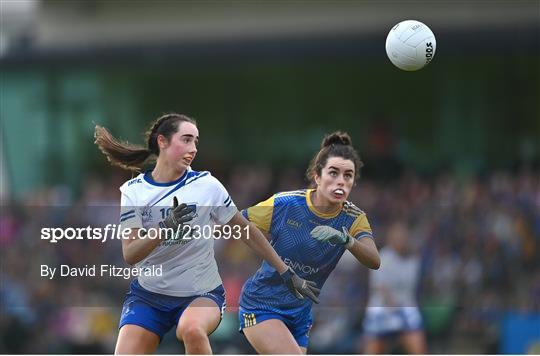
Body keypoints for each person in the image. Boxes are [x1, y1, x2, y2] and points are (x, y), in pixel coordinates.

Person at [94, 113, 319, 354]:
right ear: (162, 141)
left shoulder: (207, 186)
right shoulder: (133, 191)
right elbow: (130, 254)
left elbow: (246, 230)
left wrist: (285, 272)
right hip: (148, 296)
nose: (193, 149)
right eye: (186, 140)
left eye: (196, 142)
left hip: (200, 293)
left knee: (191, 329)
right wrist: (165, 227)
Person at [238, 131, 381, 354]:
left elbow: (374, 260)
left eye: (348, 175)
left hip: (300, 315)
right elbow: (235, 225)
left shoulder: (353, 218)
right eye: (333, 173)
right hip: (261, 305)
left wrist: (347, 240)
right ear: (317, 176)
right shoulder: (286, 204)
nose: (341, 181)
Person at [363, 220, 427, 354]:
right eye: (397, 236)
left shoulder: (414, 260)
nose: (400, 239)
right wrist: (392, 306)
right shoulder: (381, 258)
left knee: (419, 349)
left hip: (405, 309)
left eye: (403, 236)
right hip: (382, 309)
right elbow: (380, 287)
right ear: (390, 238)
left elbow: (412, 289)